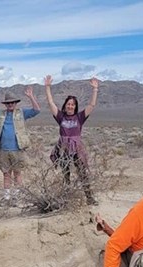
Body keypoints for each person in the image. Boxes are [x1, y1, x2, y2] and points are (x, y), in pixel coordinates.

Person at [44, 75, 99, 205]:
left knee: (82, 173)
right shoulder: (60, 117)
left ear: (75, 106)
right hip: (63, 149)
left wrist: (95, 90)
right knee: (65, 175)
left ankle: (89, 198)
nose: (70, 106)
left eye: (72, 104)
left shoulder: (80, 117)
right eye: (68, 104)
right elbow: (50, 103)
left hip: (77, 149)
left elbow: (92, 105)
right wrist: (47, 87)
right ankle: (66, 198)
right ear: (65, 105)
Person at [0, 86, 40, 202]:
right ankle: (7, 197)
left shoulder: (22, 113)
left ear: (15, 103)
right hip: (4, 150)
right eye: (8, 103)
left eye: (12, 102)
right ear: (5, 104)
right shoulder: (0, 114)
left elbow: (36, 110)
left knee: (17, 173)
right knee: (6, 174)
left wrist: (31, 97)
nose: (10, 104)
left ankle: (17, 196)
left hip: (18, 149)